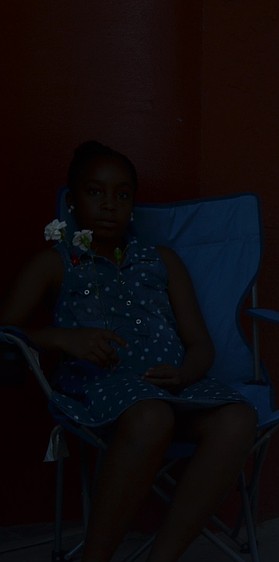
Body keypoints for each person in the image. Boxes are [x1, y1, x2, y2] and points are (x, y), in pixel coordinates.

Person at [0, 140, 258, 562]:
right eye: (94, 192)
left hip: (172, 387)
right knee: (150, 415)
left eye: (121, 195)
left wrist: (186, 373)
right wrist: (63, 338)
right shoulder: (58, 262)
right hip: (99, 390)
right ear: (72, 200)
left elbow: (200, 345)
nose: (108, 205)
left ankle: (164, 556)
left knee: (238, 418)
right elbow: (5, 330)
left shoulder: (161, 260)